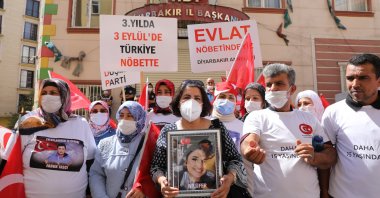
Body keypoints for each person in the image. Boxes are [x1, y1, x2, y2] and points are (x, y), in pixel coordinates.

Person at [240, 63, 337, 198]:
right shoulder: (257, 116)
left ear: (292, 89)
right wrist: (250, 150)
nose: (273, 89)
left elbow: (330, 153)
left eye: (279, 83)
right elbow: (249, 141)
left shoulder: (309, 119)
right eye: (269, 85)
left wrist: (315, 156)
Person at [150, 80, 247, 198]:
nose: (192, 102)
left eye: (197, 98)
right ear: (179, 102)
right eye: (186, 97)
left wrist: (230, 178)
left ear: (203, 103)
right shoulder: (168, 130)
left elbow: (235, 160)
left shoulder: (217, 127)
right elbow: (156, 167)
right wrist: (162, 181)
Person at [18, 78, 96, 198]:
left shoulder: (81, 124)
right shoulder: (28, 122)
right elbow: (12, 159)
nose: (48, 96)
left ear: (65, 96)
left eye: (54, 93)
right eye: (44, 93)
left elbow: (91, 161)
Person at [321, 53, 380, 198]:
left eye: (363, 78)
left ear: (379, 80)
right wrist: (324, 192)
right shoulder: (333, 112)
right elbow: (325, 156)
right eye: (350, 78)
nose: (355, 84)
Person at [89, 101, 147, 198]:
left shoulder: (147, 143)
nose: (124, 119)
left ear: (139, 119)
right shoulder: (105, 143)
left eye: (129, 116)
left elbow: (153, 173)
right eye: (121, 115)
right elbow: (96, 174)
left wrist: (144, 189)